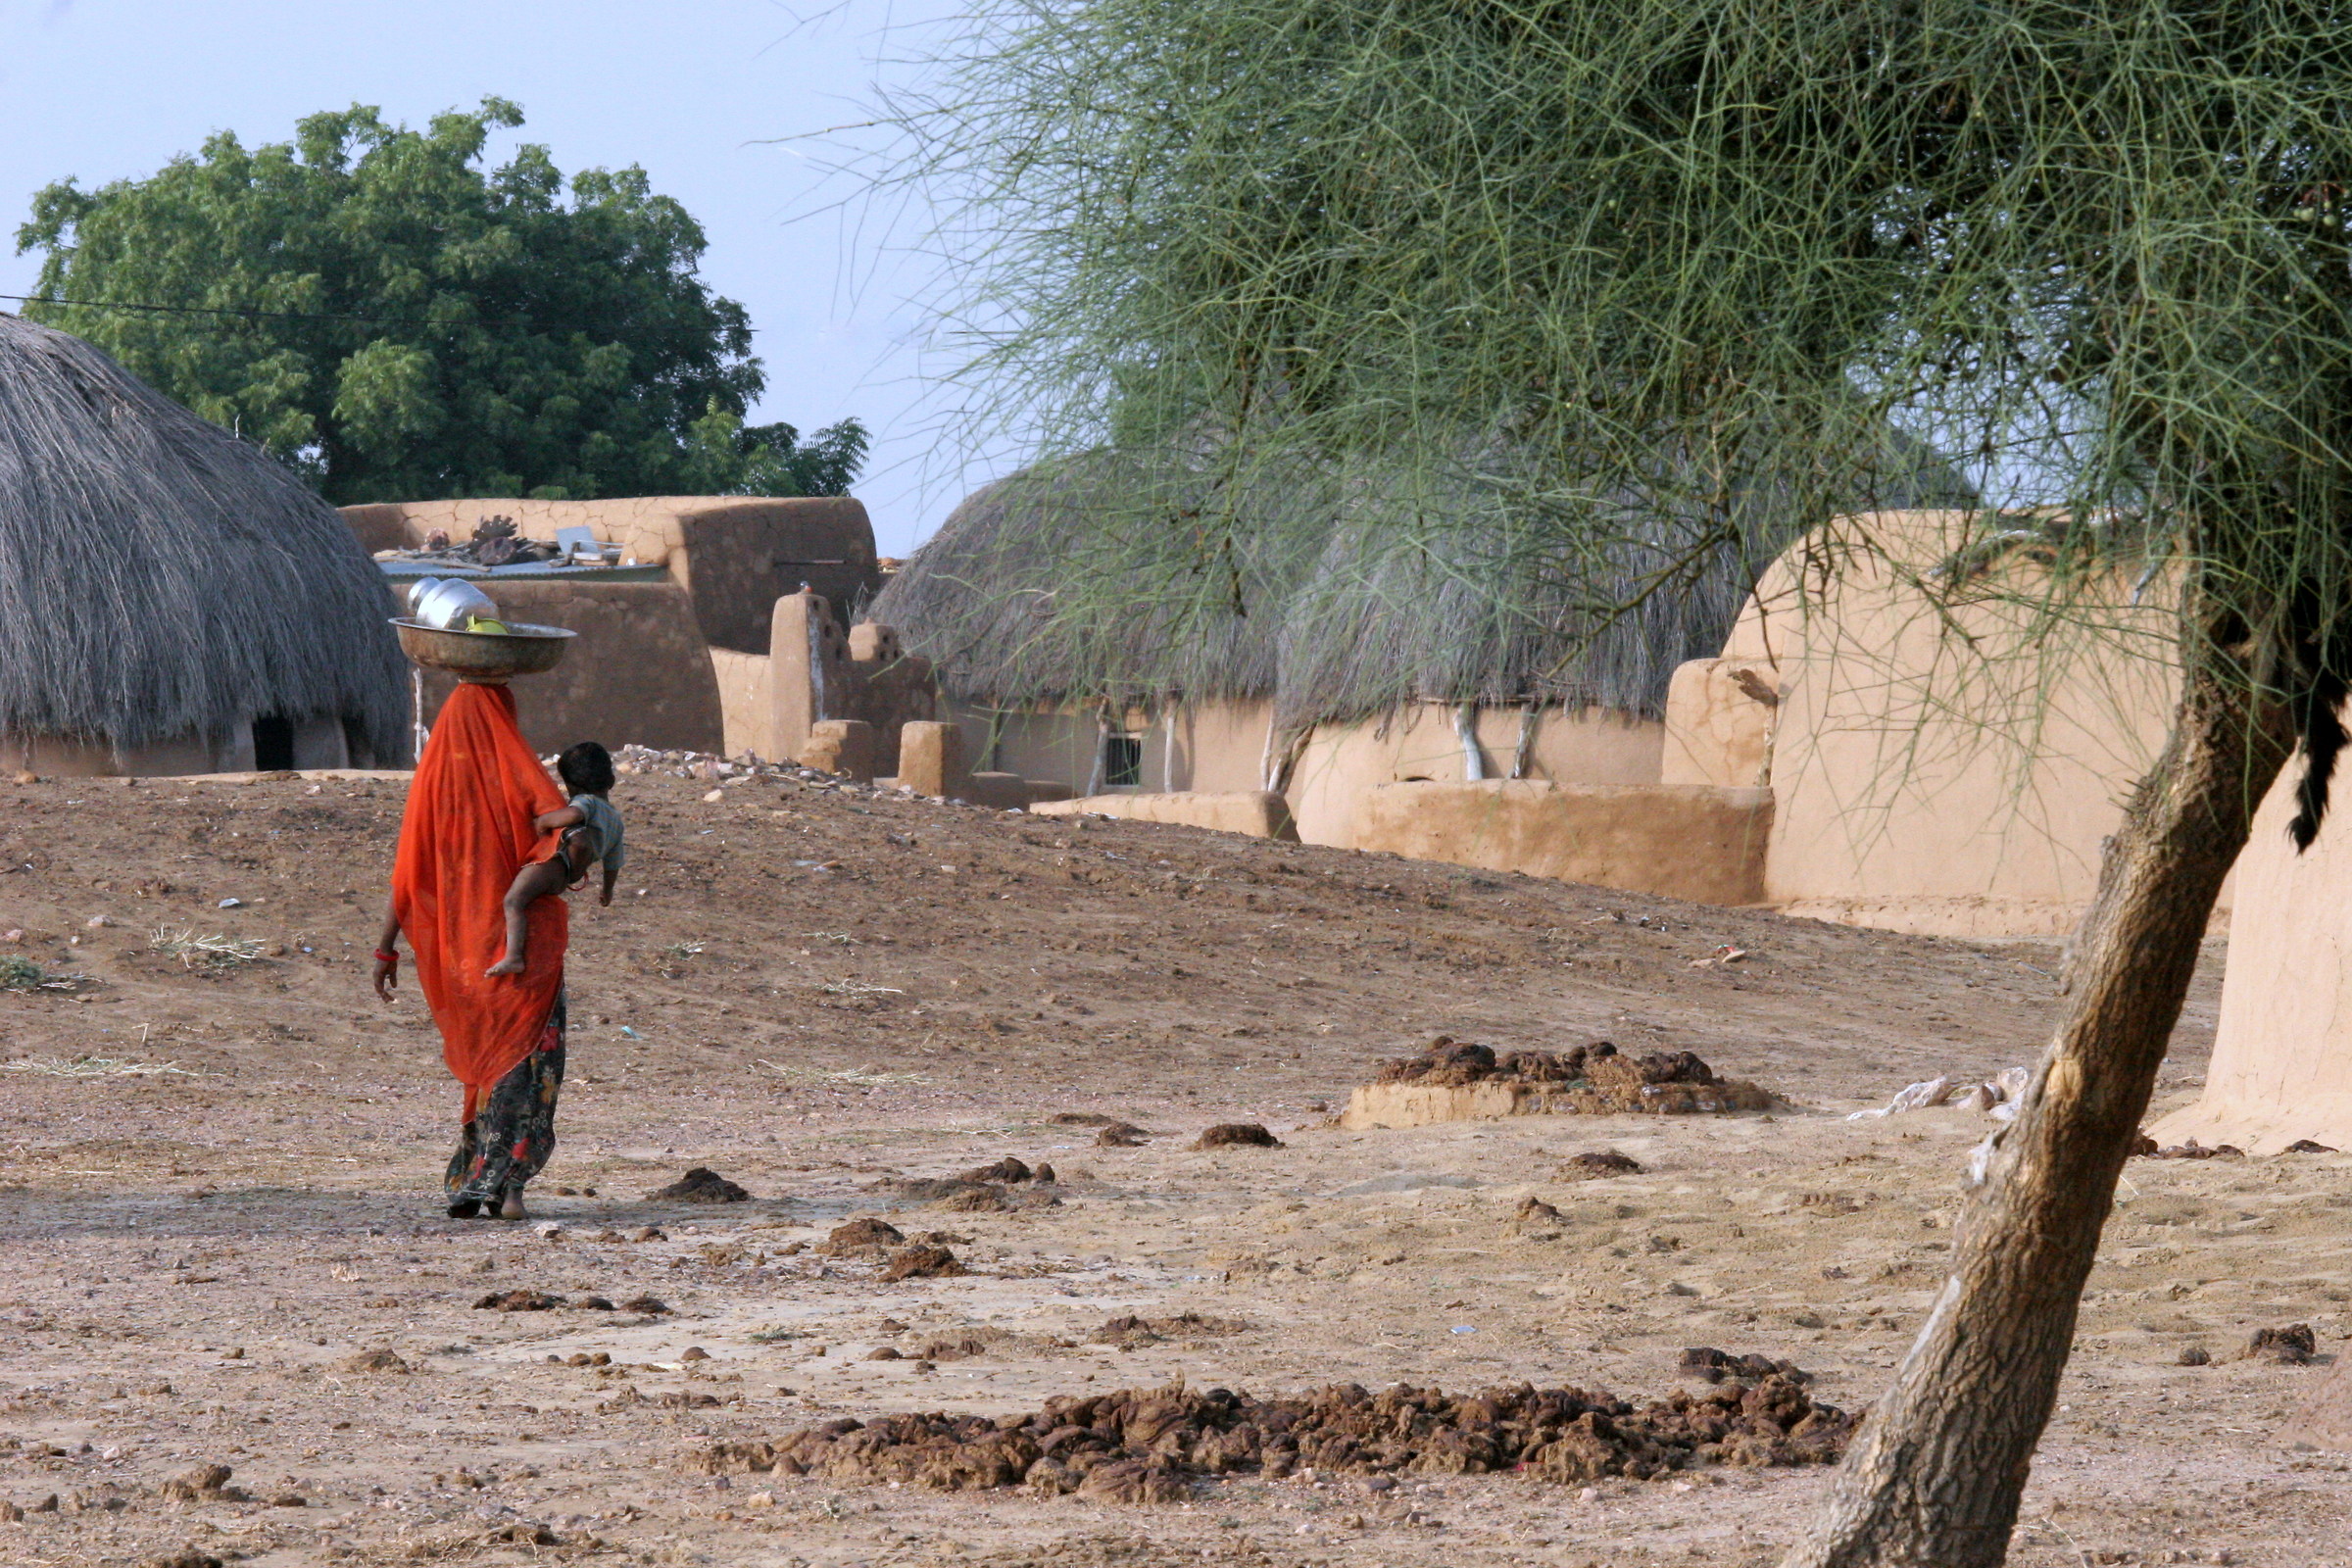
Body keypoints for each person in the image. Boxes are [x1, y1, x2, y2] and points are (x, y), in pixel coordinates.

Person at [371, 683, 577, 1221]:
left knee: (486, 1069)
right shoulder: (516, 770)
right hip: (521, 957)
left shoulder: (431, 786)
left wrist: (386, 949)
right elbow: (563, 830)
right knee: (525, 1066)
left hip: (461, 960)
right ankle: (507, 1187)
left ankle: (471, 1181)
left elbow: (409, 880)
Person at [487, 742, 624, 977]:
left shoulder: (587, 802)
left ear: (572, 786)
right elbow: (613, 863)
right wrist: (607, 891)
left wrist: (541, 822)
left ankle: (513, 957)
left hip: (553, 864)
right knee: (525, 902)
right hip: (564, 875)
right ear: (610, 781)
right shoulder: (616, 821)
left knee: (513, 901)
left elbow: (572, 814)